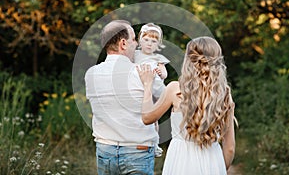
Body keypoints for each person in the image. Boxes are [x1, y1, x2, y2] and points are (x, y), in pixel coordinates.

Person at [137, 36, 236, 175]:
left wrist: (148, 86)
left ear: (188, 61)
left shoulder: (175, 90)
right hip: (213, 160)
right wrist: (218, 167)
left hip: (180, 161)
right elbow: (230, 147)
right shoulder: (224, 94)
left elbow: (147, 118)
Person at [85, 20, 159, 175]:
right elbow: (154, 111)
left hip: (105, 151)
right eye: (133, 39)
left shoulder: (91, 74)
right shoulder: (142, 72)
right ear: (123, 43)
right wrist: (149, 85)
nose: (137, 44)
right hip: (138, 151)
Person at [135, 23, 170, 157]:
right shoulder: (135, 55)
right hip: (141, 88)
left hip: (156, 88)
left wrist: (160, 73)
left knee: (153, 118)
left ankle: (155, 143)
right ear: (140, 40)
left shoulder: (157, 58)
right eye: (146, 40)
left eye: (154, 41)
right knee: (141, 114)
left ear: (158, 44)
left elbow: (165, 74)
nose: (149, 44)